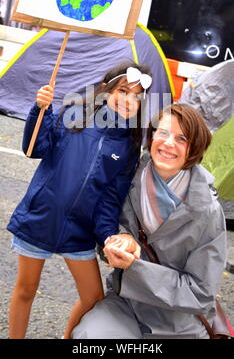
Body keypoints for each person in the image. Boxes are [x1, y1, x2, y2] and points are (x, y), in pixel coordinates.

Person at [7, 61, 152, 339]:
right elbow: (33, 148)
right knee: (25, 289)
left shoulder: (128, 146)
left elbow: (111, 200)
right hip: (40, 218)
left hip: (80, 232)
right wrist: (41, 109)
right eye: (123, 91)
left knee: (94, 299)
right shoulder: (73, 115)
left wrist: (109, 237)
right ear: (104, 90)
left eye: (136, 97)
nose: (128, 101)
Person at [72, 103, 227, 339]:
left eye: (182, 138)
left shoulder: (208, 212)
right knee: (90, 336)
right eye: (162, 133)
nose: (168, 143)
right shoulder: (127, 175)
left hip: (178, 323)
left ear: (194, 149)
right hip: (125, 304)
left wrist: (135, 268)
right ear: (152, 136)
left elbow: (201, 293)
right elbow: (104, 223)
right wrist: (118, 239)